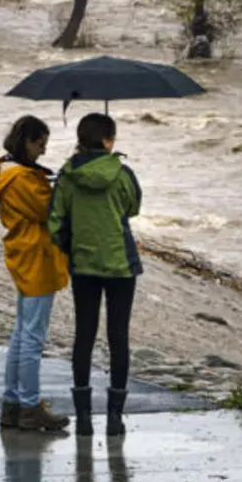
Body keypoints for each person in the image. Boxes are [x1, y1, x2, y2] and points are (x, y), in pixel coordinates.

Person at [49, 112, 143, 437]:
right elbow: (133, 208)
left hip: (84, 265)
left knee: (84, 335)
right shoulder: (122, 173)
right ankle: (115, 417)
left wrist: (71, 247)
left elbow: (56, 220)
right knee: (118, 337)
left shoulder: (67, 175)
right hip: (120, 265)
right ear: (106, 141)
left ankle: (84, 416)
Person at [0, 115, 71, 432]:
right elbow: (51, 211)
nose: (43, 152)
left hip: (23, 253)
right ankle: (30, 406)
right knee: (32, 338)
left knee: (21, 334)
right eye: (40, 144)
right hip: (37, 257)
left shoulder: (6, 172)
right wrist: (63, 186)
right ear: (27, 141)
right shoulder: (24, 180)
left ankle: (13, 403)